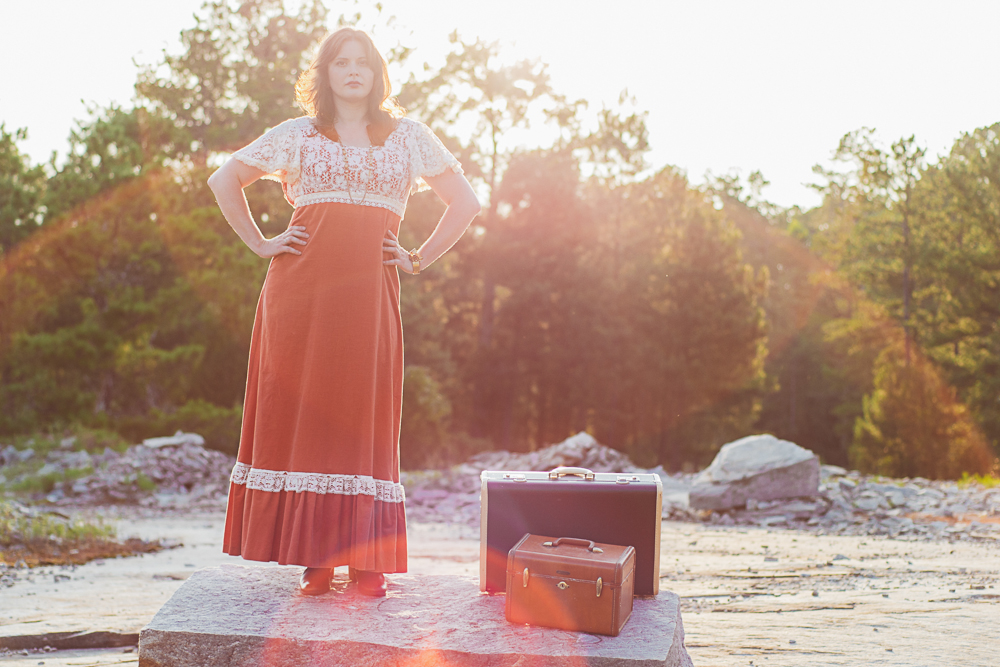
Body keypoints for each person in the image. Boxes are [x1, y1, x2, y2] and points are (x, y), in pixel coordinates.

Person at [207, 27, 481, 597]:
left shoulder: (409, 137)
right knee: (308, 412)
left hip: (369, 298)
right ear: (325, 74)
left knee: (363, 414)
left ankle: (366, 561)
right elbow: (223, 177)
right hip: (300, 293)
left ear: (378, 73)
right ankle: (316, 558)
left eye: (362, 62)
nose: (352, 71)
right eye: (341, 63)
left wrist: (418, 257)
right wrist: (260, 243)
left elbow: (466, 201)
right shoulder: (298, 134)